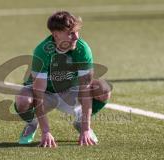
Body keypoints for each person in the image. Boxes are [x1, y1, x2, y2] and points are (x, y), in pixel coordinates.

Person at [14, 11, 111, 148]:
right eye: (71, 33)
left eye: (77, 32)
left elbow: (85, 88)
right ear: (56, 34)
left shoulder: (82, 49)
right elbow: (38, 93)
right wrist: (46, 131)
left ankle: (79, 123)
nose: (76, 37)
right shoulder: (42, 51)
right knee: (23, 100)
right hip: (46, 94)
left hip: (71, 91)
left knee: (103, 89)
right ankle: (32, 123)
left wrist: (85, 129)